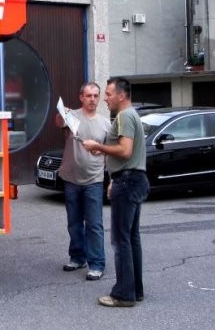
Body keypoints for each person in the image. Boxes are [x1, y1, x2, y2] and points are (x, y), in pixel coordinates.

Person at [82, 77, 150, 307]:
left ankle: (123, 294)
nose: (105, 98)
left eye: (108, 94)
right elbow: (127, 155)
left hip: (129, 182)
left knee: (121, 240)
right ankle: (134, 290)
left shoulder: (124, 116)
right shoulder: (131, 115)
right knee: (131, 238)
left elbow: (124, 150)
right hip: (131, 179)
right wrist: (114, 177)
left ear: (121, 95)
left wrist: (98, 146)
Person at [56, 82, 110, 281]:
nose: (93, 99)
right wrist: (63, 113)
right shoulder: (72, 117)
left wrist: (111, 178)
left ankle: (96, 264)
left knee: (94, 224)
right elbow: (57, 122)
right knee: (74, 223)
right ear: (81, 97)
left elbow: (111, 153)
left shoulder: (106, 124)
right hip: (71, 178)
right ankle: (78, 257)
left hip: (94, 179)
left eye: (96, 96)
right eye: (89, 96)